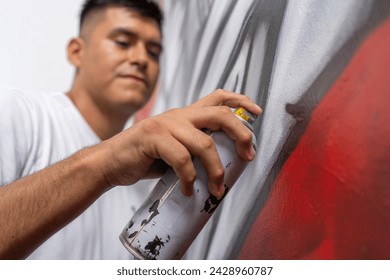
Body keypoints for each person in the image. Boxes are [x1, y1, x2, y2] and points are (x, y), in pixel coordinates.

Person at [0, 0, 261, 260]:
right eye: (123, 42)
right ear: (76, 51)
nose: (140, 59)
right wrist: (106, 166)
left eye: (153, 52)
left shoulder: (146, 186)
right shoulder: (17, 114)